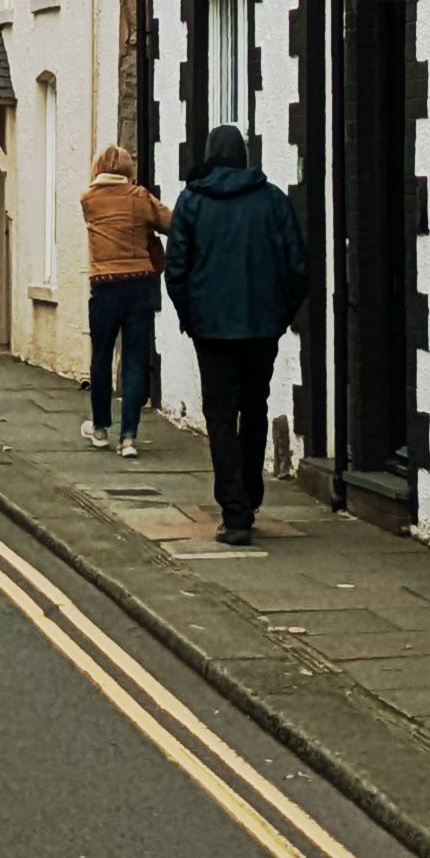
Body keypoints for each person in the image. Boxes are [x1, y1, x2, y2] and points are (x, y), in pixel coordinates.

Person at [156, 121, 309, 546]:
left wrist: (192, 317)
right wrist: (279, 317)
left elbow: (176, 272)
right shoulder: (273, 201)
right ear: (243, 156)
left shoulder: (192, 203)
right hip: (261, 328)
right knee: (254, 407)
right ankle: (251, 497)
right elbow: (298, 268)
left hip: (213, 331)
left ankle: (235, 512)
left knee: (220, 416)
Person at [78, 142, 168, 457]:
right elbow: (170, 222)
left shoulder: (88, 200)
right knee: (134, 360)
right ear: (128, 170)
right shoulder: (139, 197)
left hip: (104, 287)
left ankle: (100, 427)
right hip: (140, 284)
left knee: (101, 356)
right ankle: (129, 437)